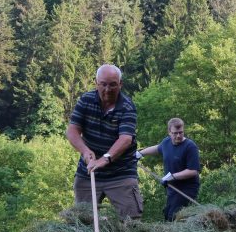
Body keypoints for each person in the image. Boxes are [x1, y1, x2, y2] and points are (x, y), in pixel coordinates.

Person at [66, 64, 142, 221]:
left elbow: (126, 139)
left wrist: (105, 158)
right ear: (96, 83)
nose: (108, 89)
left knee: (131, 223)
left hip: (121, 173)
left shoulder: (127, 107)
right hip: (89, 172)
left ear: (120, 84)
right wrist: (85, 151)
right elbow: (72, 130)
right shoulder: (86, 100)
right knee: (82, 221)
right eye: (103, 84)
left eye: (113, 84)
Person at [138, 118, 200, 221]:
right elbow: (158, 148)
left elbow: (193, 171)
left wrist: (172, 177)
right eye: (175, 133)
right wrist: (140, 153)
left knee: (173, 216)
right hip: (172, 188)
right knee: (167, 214)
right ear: (169, 132)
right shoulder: (166, 142)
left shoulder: (190, 147)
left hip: (186, 189)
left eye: (181, 132)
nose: (178, 136)